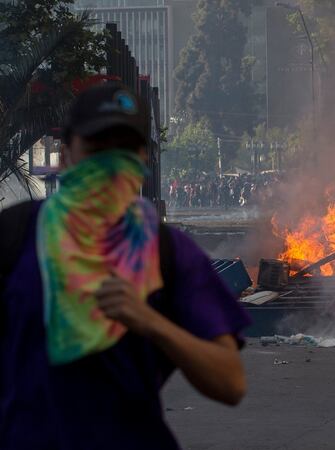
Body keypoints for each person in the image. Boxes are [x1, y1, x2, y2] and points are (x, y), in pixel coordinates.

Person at [0, 83, 250, 449]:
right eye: (97, 150)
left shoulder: (168, 253)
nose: (109, 165)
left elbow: (230, 382)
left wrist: (150, 321)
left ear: (143, 158)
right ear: (66, 154)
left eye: (123, 151)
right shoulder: (13, 236)